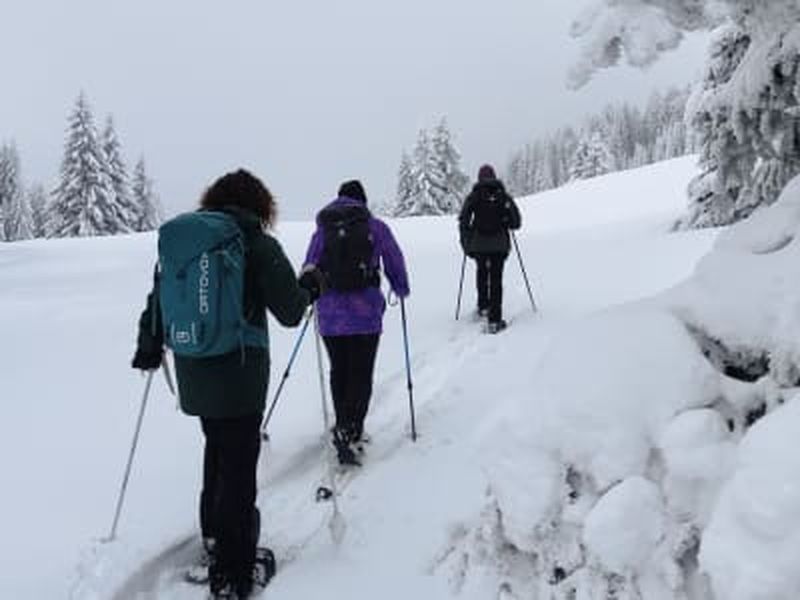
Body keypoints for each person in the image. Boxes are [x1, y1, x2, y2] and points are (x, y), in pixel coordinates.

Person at [131, 169, 322, 599]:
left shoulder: (188, 244)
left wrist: (148, 345)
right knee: (238, 462)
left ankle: (216, 539)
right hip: (239, 371)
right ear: (260, 204)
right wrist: (311, 285)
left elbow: (158, 298)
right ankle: (233, 572)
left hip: (193, 367)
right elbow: (291, 311)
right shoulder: (256, 243)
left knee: (216, 447)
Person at [302, 179, 410, 466]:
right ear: (362, 201)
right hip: (365, 313)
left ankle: (342, 423)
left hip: (330, 314)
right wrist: (400, 287)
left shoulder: (323, 230)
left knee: (339, 369)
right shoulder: (375, 227)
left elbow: (309, 265)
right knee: (361, 372)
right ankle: (352, 430)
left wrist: (309, 295)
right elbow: (394, 259)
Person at [458, 164, 522, 334]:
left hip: (479, 244)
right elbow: (516, 223)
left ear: (479, 178)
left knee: (481, 272)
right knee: (496, 279)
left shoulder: (474, 196)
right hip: (499, 246)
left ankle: (483, 306)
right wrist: (506, 220)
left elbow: (463, 220)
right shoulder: (503, 196)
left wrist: (466, 242)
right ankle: (494, 320)